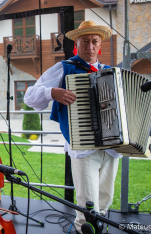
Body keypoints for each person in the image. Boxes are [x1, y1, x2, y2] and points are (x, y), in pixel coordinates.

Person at [24, 20, 121, 234]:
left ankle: (100, 229)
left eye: (94, 41)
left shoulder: (111, 73)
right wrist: (52, 93)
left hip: (111, 148)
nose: (90, 46)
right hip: (83, 147)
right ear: (77, 44)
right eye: (85, 41)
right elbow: (30, 96)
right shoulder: (65, 68)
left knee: (105, 201)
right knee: (87, 205)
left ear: (100, 46)